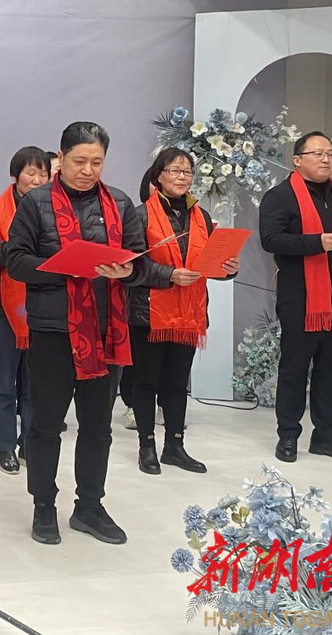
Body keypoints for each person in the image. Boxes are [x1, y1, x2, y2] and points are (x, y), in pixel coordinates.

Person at [6, 121, 149, 547]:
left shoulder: (120, 203)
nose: (88, 170)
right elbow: (16, 262)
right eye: (80, 161)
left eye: (97, 162)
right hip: (54, 330)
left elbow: (139, 262)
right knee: (46, 424)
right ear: (61, 158)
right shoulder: (36, 203)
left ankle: (89, 506)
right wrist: (65, 267)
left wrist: (129, 270)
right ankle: (43, 505)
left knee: (98, 426)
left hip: (106, 330)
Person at [128, 147, 238, 476]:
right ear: (158, 176)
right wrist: (169, 275)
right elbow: (132, 266)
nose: (181, 177)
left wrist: (229, 268)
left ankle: (174, 446)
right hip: (149, 312)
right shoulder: (140, 215)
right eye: (174, 171)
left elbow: (211, 263)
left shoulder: (200, 216)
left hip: (189, 312)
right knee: (146, 382)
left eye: (187, 171)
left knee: (177, 384)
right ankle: (146, 446)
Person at [259, 131, 332, 464]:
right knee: (294, 368)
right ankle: (288, 435)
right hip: (300, 298)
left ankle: (326, 435)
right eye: (317, 153)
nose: (326, 159)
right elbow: (270, 240)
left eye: (330, 154)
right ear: (297, 160)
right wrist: (314, 242)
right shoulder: (280, 196)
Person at [0, 146, 49, 475]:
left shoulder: (52, 211)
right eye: (31, 173)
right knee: (4, 385)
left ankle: (28, 443)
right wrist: (11, 248)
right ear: (15, 176)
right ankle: (5, 446)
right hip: (3, 311)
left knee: (35, 386)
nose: (37, 180)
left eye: (43, 174)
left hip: (41, 309)